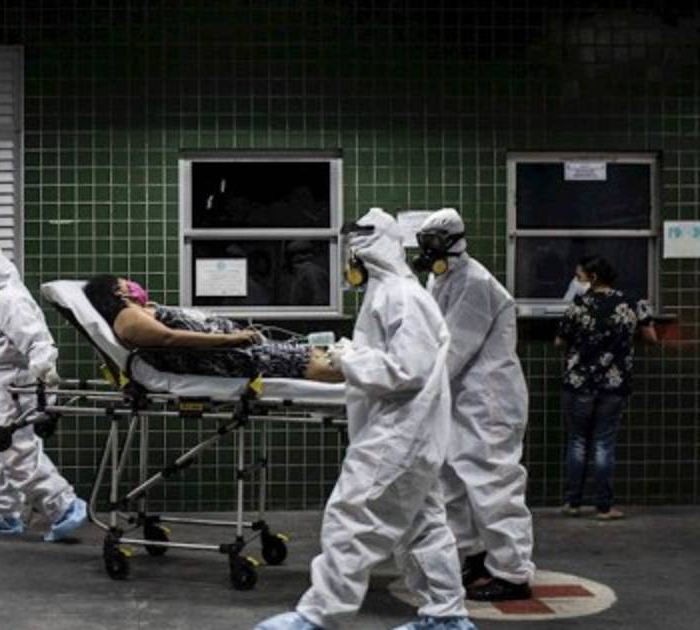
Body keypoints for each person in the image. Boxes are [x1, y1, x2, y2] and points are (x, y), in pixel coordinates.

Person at [256, 208, 474, 630]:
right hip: (412, 433)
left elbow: (407, 369)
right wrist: (352, 356)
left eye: (349, 253)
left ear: (364, 252)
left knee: (351, 518)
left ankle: (319, 618)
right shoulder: (389, 293)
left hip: (399, 433)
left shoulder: (400, 297)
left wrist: (345, 358)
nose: (345, 264)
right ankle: (446, 617)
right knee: (423, 526)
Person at [415, 209, 535, 602]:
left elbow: (454, 348)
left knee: (492, 482)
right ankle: (475, 555)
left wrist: (410, 384)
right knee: (453, 479)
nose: (426, 250)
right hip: (460, 399)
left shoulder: (475, 281)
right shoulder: (440, 278)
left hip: (489, 400)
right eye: (422, 242)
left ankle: (513, 573)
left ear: (453, 240)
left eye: (433, 242)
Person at [0, 244, 87, 541]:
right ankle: (2, 513)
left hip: (14, 393)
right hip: (3, 392)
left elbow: (38, 342)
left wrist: (44, 372)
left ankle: (63, 506)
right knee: (1, 452)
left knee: (17, 455)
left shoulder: (9, 301)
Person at [83, 275, 341, 382]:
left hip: (236, 351)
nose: (133, 285)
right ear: (117, 292)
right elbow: (169, 338)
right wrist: (230, 340)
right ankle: (353, 375)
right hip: (229, 358)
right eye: (126, 283)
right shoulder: (127, 318)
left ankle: (349, 368)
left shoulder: (138, 311)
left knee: (307, 353)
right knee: (300, 360)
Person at [555, 255, 656, 520]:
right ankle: (604, 507)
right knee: (603, 443)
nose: (577, 280)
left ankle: (573, 503)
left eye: (580, 276)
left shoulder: (579, 304)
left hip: (579, 383)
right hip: (614, 383)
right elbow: (651, 336)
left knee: (577, 441)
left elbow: (560, 341)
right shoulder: (631, 303)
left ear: (593, 277)